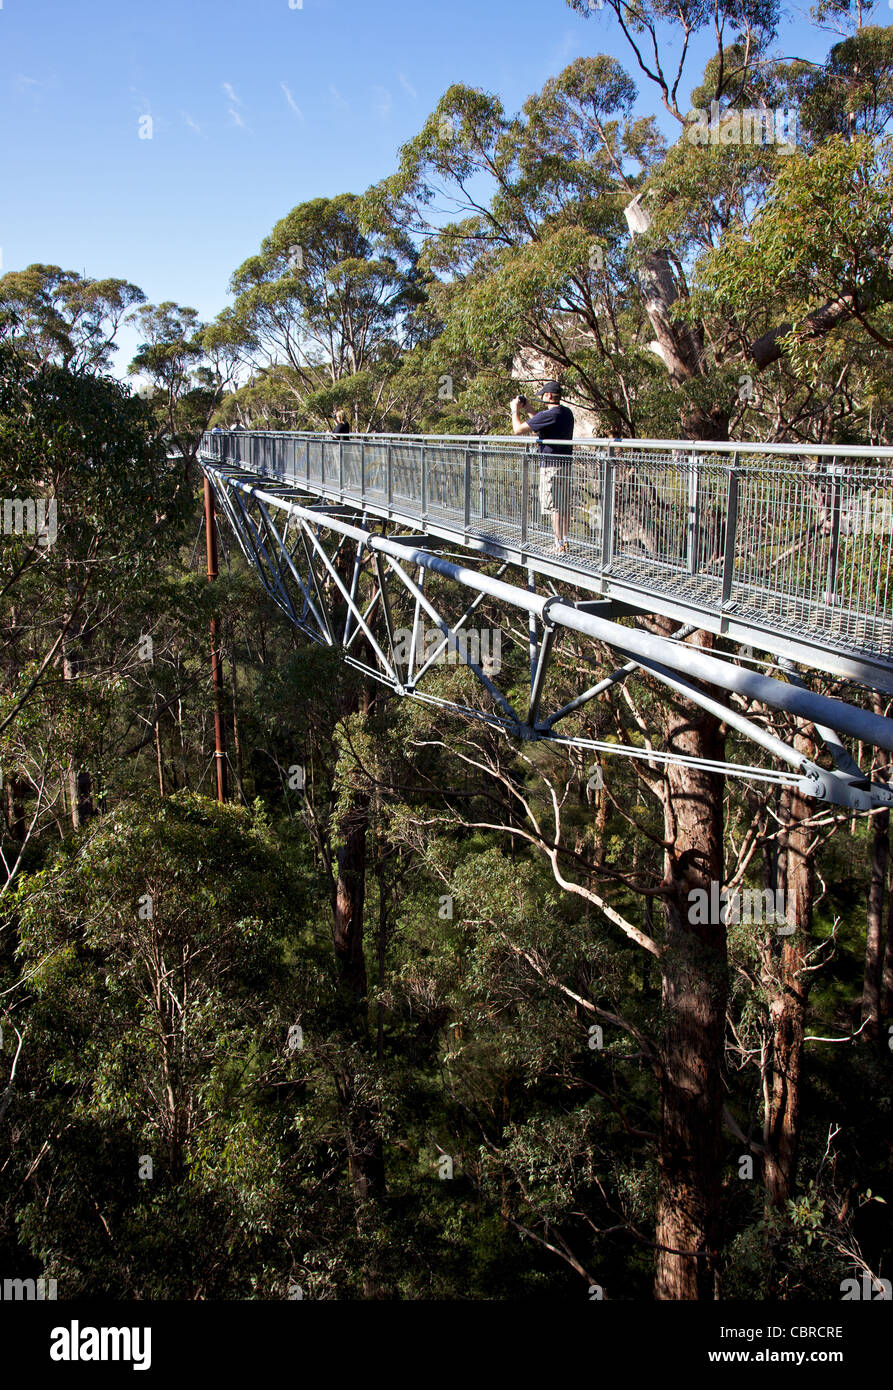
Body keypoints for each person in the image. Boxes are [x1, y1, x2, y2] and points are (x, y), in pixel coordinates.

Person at [510, 381, 575, 554]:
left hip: (551, 466)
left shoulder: (549, 414)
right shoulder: (566, 413)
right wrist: (530, 408)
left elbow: (518, 430)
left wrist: (514, 410)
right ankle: (564, 541)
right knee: (563, 505)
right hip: (565, 465)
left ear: (548, 396)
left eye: (543, 396)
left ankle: (558, 544)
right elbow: (542, 423)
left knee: (554, 507)